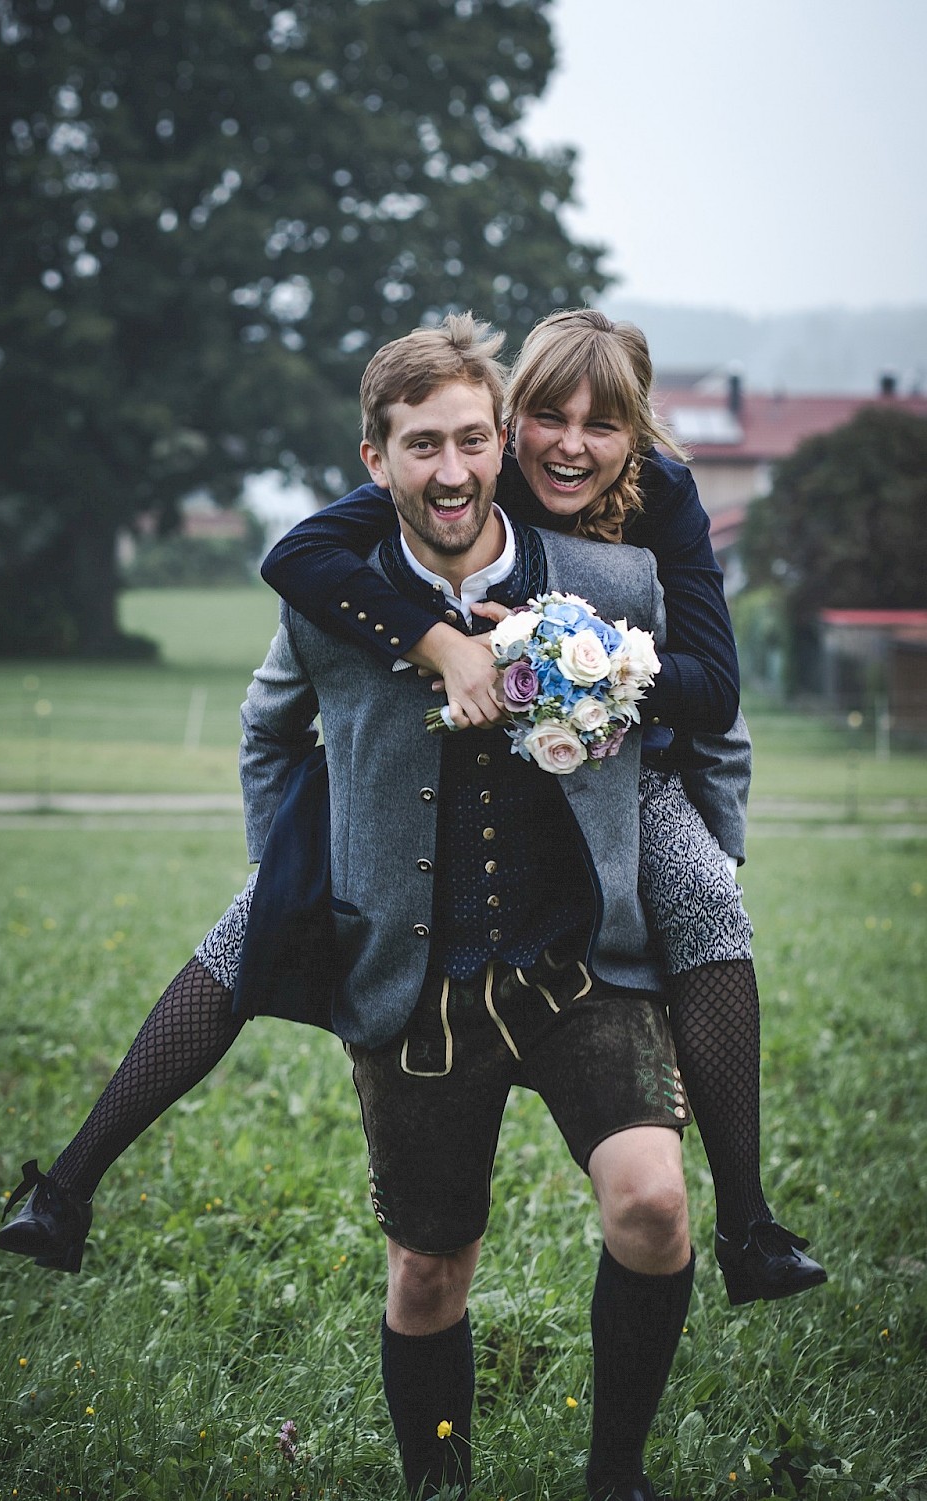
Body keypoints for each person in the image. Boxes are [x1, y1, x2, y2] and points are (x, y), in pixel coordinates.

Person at [3, 314, 695, 1501]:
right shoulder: (333, 592)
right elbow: (267, 731)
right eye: (421, 445)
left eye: (473, 439)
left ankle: (614, 1479)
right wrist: (300, 875)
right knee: (428, 1272)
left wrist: (678, 868)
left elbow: (685, 728)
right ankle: (437, 1488)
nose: (453, 470)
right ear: (375, 461)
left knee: (651, 1203)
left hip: (576, 965)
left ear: (500, 444)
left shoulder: (609, 581)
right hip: (412, 983)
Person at [260, 307, 827, 1306]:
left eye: (601, 424)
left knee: (704, 899)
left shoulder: (667, 492)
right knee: (256, 914)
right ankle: (67, 1189)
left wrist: (575, 657)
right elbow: (298, 560)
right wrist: (444, 645)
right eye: (548, 418)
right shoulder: (471, 464)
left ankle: (747, 1222)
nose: (571, 444)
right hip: (445, 789)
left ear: (638, 433)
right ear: (511, 419)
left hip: (625, 766)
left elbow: (713, 690)